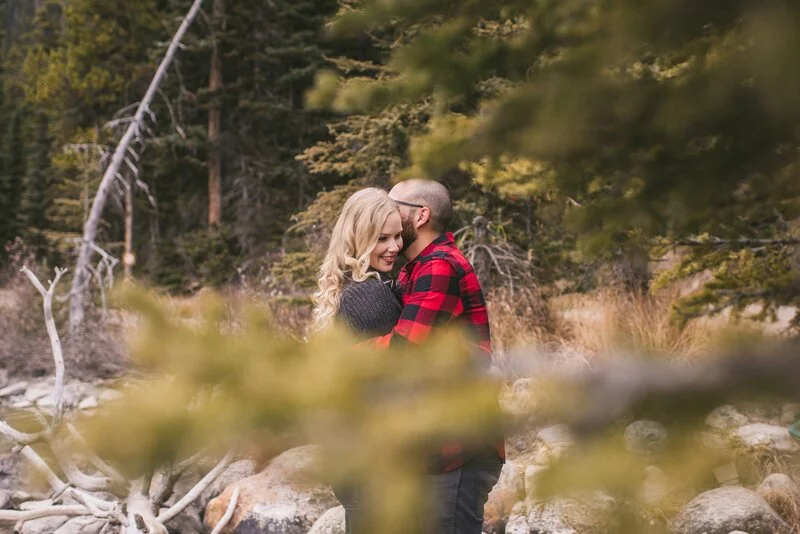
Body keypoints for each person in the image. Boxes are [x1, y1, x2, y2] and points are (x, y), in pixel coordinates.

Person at [376, 179, 505, 534]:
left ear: (421, 215)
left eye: (391, 205)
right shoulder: (414, 268)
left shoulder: (439, 267)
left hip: (461, 447)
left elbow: (403, 350)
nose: (382, 212)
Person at [311, 187, 404, 534]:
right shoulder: (369, 296)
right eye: (382, 238)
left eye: (398, 236)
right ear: (359, 238)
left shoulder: (354, 287)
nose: (394, 246)